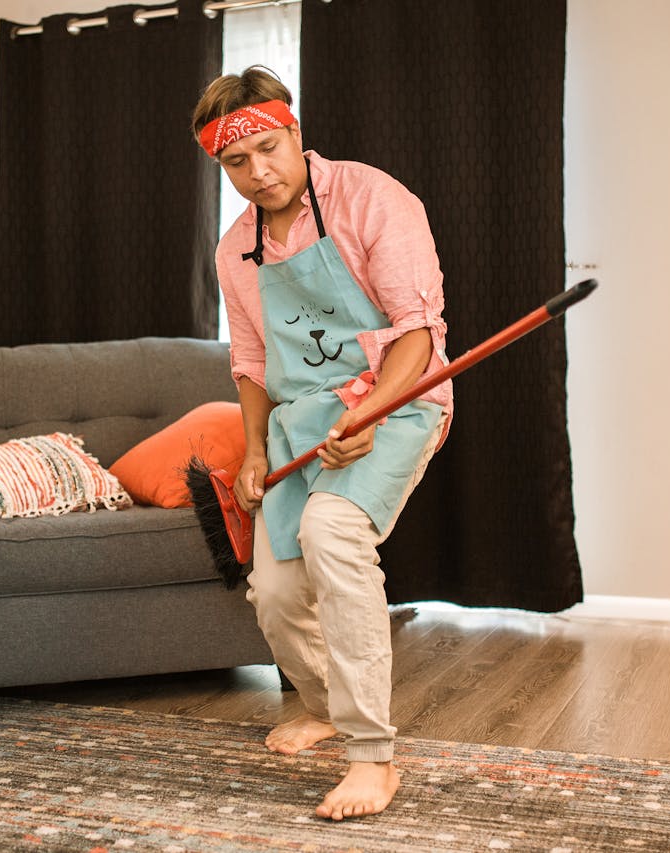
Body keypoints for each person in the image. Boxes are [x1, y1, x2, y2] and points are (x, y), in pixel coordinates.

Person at [190, 66, 453, 821]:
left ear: (294, 131)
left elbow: (416, 331)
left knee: (332, 532)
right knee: (272, 592)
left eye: (268, 149)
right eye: (235, 162)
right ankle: (325, 702)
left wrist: (368, 413)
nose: (257, 172)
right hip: (299, 424)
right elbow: (248, 364)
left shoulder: (375, 198)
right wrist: (250, 454)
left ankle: (372, 755)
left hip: (399, 402)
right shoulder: (234, 248)